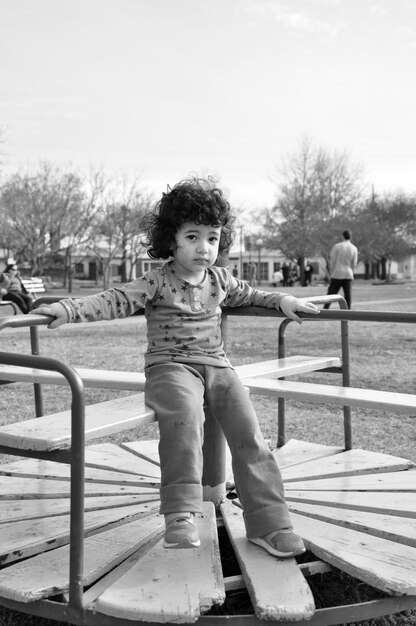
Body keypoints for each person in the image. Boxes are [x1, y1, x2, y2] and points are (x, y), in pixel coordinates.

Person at [36, 176, 320, 556]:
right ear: (172, 239)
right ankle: (180, 514)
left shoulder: (219, 278)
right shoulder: (156, 280)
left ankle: (269, 523)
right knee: (185, 419)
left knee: (249, 432)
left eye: (212, 237)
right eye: (192, 237)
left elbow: (252, 294)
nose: (204, 248)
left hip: (218, 366)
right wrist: (66, 309)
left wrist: (283, 300)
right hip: (171, 367)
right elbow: (113, 300)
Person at [324, 230, 358, 309]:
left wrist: (331, 272)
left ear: (342, 236)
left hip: (337, 273)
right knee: (348, 295)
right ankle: (348, 311)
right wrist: (352, 272)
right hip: (348, 274)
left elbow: (332, 261)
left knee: (331, 294)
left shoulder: (337, 246)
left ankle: (325, 309)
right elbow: (354, 263)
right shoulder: (354, 248)